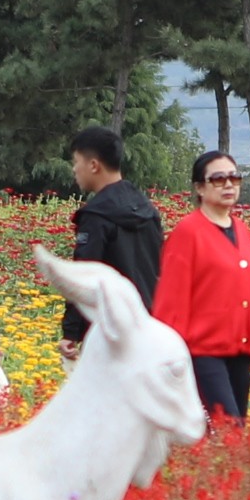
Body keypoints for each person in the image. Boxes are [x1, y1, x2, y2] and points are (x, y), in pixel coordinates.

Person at [152, 146, 250, 417]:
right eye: (218, 179)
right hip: (202, 354)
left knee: (231, 435)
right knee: (227, 431)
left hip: (241, 351)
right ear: (200, 188)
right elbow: (171, 299)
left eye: (234, 178)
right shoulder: (188, 232)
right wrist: (165, 359)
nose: (228, 185)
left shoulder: (242, 231)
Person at [57, 123, 163, 352]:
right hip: (149, 324)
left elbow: (85, 276)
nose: (74, 169)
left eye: (76, 162)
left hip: (109, 329)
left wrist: (71, 332)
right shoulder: (147, 209)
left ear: (94, 165)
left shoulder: (96, 216)